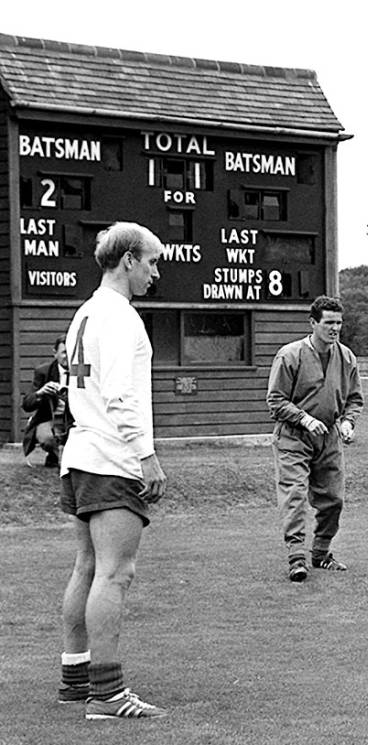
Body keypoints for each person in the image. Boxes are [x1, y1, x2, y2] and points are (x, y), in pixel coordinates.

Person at [56, 222, 168, 719]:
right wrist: (146, 455)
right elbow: (121, 396)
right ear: (127, 260)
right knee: (115, 573)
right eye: (150, 262)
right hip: (111, 457)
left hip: (80, 454)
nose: (154, 273)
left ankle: (75, 679)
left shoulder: (84, 313)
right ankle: (107, 694)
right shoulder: (121, 318)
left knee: (86, 566)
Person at [267, 296, 364, 582]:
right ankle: (297, 557)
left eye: (339, 323)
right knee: (295, 495)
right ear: (313, 323)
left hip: (329, 436)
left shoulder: (347, 357)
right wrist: (304, 418)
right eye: (329, 323)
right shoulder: (290, 355)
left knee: (333, 497)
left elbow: (355, 398)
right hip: (294, 436)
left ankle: (321, 553)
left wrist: (348, 422)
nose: (335, 328)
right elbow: (275, 399)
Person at [22, 335, 73, 467]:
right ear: (54, 353)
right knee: (47, 439)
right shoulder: (43, 372)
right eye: (64, 352)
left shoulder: (80, 372)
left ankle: (70, 461)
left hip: (73, 419)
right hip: (48, 418)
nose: (68, 356)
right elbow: (26, 404)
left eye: (71, 352)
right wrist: (41, 392)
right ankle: (53, 455)